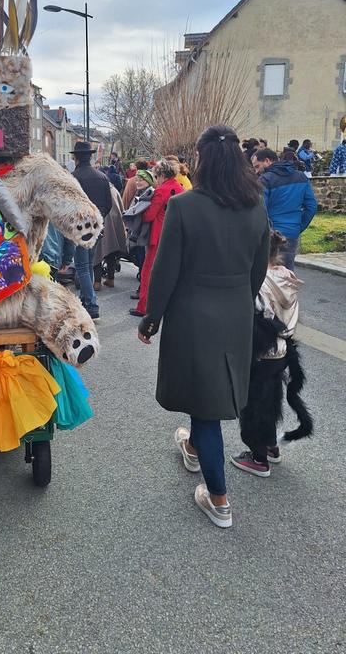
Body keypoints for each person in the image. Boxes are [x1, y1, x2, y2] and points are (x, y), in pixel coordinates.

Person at [137, 125, 269, 529]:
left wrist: (152, 316)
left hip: (194, 314)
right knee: (212, 393)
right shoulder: (256, 208)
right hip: (236, 313)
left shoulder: (185, 207)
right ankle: (192, 448)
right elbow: (258, 270)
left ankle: (219, 500)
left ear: (203, 160)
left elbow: (165, 271)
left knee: (205, 407)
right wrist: (239, 302)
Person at [230, 231, 310, 478]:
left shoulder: (258, 282)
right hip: (283, 350)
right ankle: (271, 446)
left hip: (260, 352)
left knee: (252, 403)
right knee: (270, 398)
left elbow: (253, 319)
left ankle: (258, 457)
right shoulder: (287, 277)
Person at [129, 159, 184, 318]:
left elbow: (149, 215)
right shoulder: (180, 189)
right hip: (175, 236)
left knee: (148, 271)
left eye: (156, 176)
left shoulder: (161, 191)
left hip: (159, 235)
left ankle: (143, 307)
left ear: (161, 175)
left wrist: (141, 208)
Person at [253, 147, 317, 270]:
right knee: (287, 276)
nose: (256, 171)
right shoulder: (301, 177)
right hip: (292, 233)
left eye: (257, 166)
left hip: (270, 235)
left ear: (267, 161)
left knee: (267, 277)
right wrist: (298, 227)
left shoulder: (265, 180)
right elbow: (311, 207)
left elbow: (260, 210)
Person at [71, 141, 113, 320]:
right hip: (96, 225)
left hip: (80, 226)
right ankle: (85, 301)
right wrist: (99, 219)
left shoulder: (72, 177)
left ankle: (92, 304)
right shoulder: (102, 177)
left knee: (82, 266)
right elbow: (108, 204)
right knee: (87, 264)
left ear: (76, 158)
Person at [122, 169, 155, 296]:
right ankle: (142, 287)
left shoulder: (148, 193)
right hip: (139, 232)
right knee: (141, 260)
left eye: (141, 179)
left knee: (144, 261)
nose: (138, 181)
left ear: (148, 181)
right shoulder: (141, 192)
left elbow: (142, 214)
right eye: (137, 179)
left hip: (143, 233)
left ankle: (143, 289)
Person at [93, 182, 128, 289]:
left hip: (100, 221)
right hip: (114, 223)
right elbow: (121, 208)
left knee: (97, 252)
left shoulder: (96, 189)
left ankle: (97, 282)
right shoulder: (113, 189)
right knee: (111, 251)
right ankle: (110, 279)